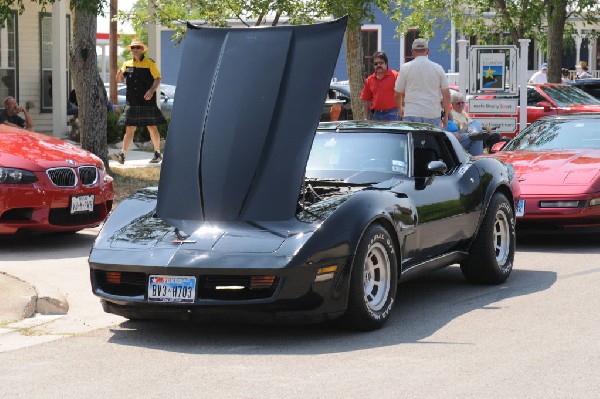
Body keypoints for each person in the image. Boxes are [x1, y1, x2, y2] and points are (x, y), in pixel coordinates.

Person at [112, 39, 166, 164]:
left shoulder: (149, 63)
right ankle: (122, 155)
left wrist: (151, 91)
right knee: (129, 128)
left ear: (142, 49)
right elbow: (119, 80)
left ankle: (157, 154)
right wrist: (119, 74)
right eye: (133, 47)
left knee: (152, 126)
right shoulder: (127, 64)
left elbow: (157, 78)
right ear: (131, 50)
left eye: (137, 47)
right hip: (132, 101)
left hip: (147, 100)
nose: (135, 50)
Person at [394, 38, 451, 128]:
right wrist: (446, 115)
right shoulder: (438, 68)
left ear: (413, 52)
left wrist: (400, 108)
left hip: (411, 113)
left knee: (412, 141)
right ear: (428, 51)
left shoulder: (405, 68)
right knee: (432, 142)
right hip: (433, 114)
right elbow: (446, 94)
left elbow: (398, 93)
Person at [360, 51, 399, 121]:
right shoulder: (369, 80)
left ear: (386, 63)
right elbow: (366, 101)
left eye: (381, 63)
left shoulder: (395, 76)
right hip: (376, 115)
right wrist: (365, 118)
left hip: (393, 114)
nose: (378, 65)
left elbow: (403, 95)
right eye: (375, 64)